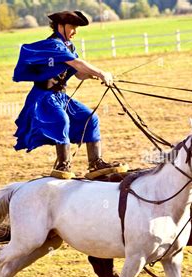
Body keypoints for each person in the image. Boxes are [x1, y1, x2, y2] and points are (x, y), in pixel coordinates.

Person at [13, 10, 126, 179]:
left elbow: (78, 71)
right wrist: (102, 72)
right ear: (61, 26)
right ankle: (63, 165)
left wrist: (91, 75)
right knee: (61, 120)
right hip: (44, 97)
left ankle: (95, 163)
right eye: (72, 26)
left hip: (61, 97)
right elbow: (76, 63)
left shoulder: (69, 46)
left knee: (90, 118)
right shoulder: (54, 45)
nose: (75, 31)